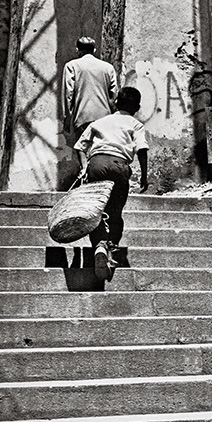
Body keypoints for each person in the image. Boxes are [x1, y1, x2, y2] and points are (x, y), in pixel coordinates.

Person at [74, 86, 149, 280]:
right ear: (137, 107)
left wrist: (84, 167)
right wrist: (144, 176)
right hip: (119, 166)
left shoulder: (101, 121)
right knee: (115, 212)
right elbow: (142, 149)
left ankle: (99, 246)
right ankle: (111, 249)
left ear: (116, 103)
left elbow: (80, 146)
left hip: (96, 164)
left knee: (97, 211)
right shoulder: (136, 124)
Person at [62, 36, 118, 167]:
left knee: (83, 153)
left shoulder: (72, 66)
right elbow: (114, 95)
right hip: (104, 118)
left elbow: (68, 95)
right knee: (101, 153)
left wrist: (67, 119)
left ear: (78, 50)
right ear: (94, 50)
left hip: (82, 117)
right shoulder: (108, 68)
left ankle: (85, 177)